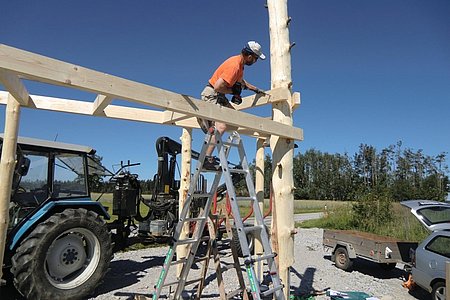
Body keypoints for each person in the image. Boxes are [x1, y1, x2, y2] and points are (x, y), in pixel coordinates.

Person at [198, 41, 266, 170]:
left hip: (220, 96)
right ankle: (207, 159)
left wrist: (255, 89)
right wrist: (233, 92)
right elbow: (218, 87)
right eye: (256, 58)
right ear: (250, 56)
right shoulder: (234, 66)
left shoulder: (240, 66)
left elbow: (241, 83)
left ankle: (211, 128)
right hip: (212, 94)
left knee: (235, 122)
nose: (255, 61)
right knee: (222, 126)